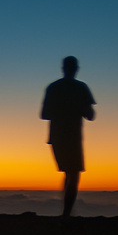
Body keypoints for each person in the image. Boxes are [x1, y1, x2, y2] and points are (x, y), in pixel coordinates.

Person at [41, 56, 96, 219]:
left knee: (69, 172)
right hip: (71, 137)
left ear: (63, 68)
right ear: (76, 68)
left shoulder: (54, 87)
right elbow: (91, 115)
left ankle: (67, 212)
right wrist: (76, 108)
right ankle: (67, 214)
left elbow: (45, 114)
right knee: (73, 173)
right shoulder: (80, 88)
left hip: (57, 136)